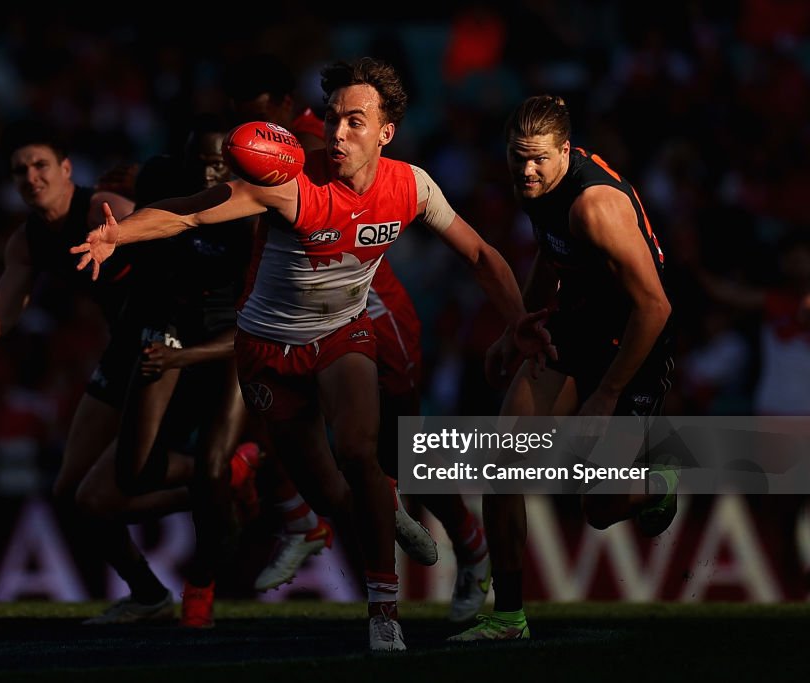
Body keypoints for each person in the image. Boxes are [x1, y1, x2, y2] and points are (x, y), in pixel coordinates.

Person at [73, 58, 553, 652]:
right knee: (332, 496)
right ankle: (388, 513)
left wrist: (518, 324)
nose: (339, 132)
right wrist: (117, 233)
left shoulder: (412, 185)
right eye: (332, 119)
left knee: (361, 448)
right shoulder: (291, 184)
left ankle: (384, 612)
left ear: (386, 132)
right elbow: (191, 209)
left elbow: (481, 255)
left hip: (344, 336)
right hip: (267, 350)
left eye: (356, 121)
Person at [0, 124, 241, 625]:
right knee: (72, 496)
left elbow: (175, 255)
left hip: (158, 346)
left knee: (104, 492)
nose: (31, 177)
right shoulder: (28, 240)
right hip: (122, 351)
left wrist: (179, 340)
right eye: (20, 171)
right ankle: (153, 586)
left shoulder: (105, 210)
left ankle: (218, 485)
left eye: (40, 165)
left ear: (66, 169)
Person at [225, 54, 491, 620]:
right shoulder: (272, 147)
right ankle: (313, 514)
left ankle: (469, 546)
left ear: (276, 108)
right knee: (309, 444)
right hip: (285, 318)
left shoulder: (305, 142)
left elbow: (465, 245)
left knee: (399, 448)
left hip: (370, 307)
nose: (245, 133)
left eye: (252, 117)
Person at [450, 95, 677, 642]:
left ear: (566, 152)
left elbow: (656, 307)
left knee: (597, 507)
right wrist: (518, 327)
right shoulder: (540, 183)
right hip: (575, 329)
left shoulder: (594, 208)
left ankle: (658, 484)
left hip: (633, 344)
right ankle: (508, 616)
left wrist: (606, 394)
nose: (525, 170)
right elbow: (552, 253)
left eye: (537, 160)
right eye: (517, 157)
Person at [73, 115, 257, 629]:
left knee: (212, 467)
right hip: (169, 328)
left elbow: (254, 330)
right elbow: (135, 197)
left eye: (219, 164)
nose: (208, 174)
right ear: (180, 162)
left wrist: (181, 358)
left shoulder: (259, 208)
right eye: (199, 163)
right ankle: (226, 478)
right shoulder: (159, 179)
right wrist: (115, 231)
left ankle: (200, 587)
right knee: (133, 476)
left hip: (227, 341)